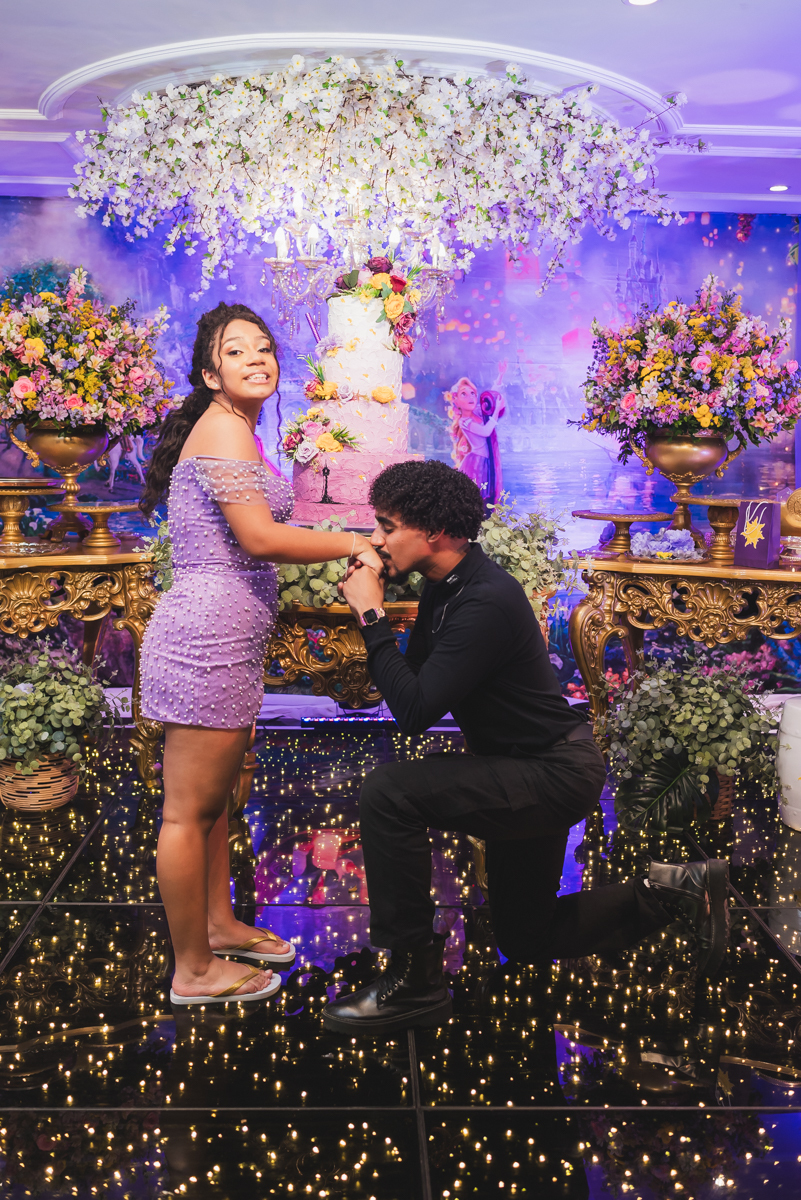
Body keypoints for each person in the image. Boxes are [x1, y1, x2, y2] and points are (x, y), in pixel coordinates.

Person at [321, 460, 729, 1034]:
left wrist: (370, 614)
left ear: (434, 532)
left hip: (552, 772)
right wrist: (377, 608)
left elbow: (413, 713)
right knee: (527, 936)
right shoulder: (447, 586)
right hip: (523, 767)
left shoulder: (485, 599)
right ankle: (676, 892)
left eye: (387, 527)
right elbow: (412, 686)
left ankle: (415, 979)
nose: (376, 539)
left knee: (388, 792)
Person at [139, 302, 383, 1007]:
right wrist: (354, 540)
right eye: (235, 350)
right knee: (187, 813)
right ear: (210, 374)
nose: (255, 358)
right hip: (207, 640)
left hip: (227, 637)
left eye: (264, 348)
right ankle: (193, 971)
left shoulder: (237, 429)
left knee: (213, 804)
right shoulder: (223, 427)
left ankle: (217, 925)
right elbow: (259, 538)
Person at [446, 376, 505, 509]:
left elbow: (490, 400)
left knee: (485, 498)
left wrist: (500, 377)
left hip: (484, 461)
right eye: (464, 394)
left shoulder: (477, 412)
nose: (470, 397)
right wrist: (496, 412)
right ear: (456, 401)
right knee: (475, 498)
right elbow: (485, 431)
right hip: (476, 463)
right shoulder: (464, 421)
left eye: (472, 393)